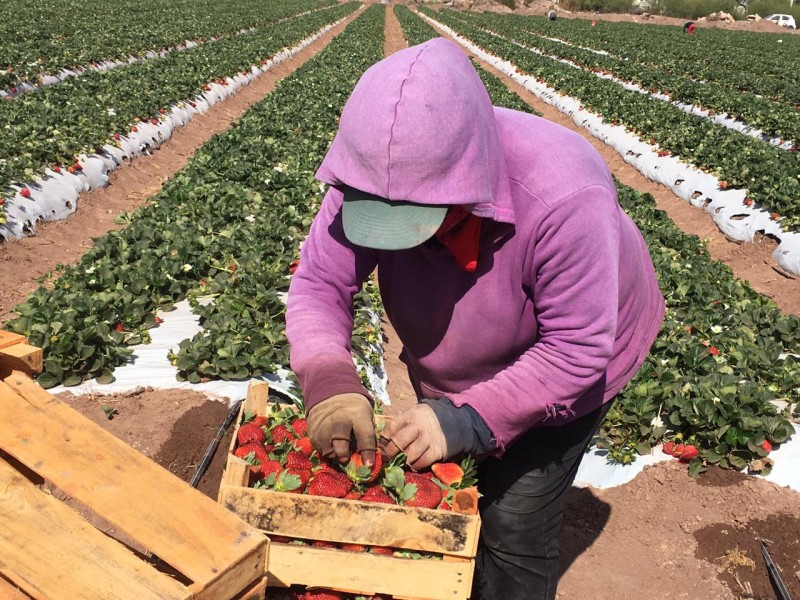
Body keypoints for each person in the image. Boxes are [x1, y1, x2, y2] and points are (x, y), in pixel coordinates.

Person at [285, 38, 665, 600]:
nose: (402, 234)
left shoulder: (564, 193)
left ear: (467, 183)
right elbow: (320, 283)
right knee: (459, 485)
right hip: (469, 341)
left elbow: (576, 350)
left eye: (419, 218)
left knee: (514, 523)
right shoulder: (368, 174)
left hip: (574, 358)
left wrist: (464, 420)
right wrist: (330, 382)